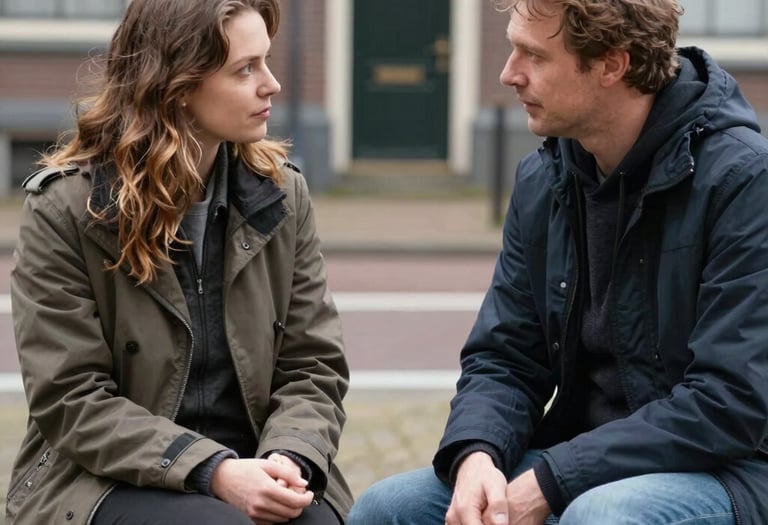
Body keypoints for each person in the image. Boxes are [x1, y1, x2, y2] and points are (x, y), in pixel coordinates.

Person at [347, 0, 768, 524]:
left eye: (533, 55)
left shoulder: (743, 181)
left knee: (601, 516)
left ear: (612, 65)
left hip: (727, 470)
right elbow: (506, 358)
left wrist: (553, 480)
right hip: (579, 458)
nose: (508, 74)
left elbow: (729, 402)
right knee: (388, 508)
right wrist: (477, 453)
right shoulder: (544, 179)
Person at [5, 0, 353, 524]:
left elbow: (313, 365)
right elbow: (72, 401)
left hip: (257, 457)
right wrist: (213, 470)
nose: (272, 84)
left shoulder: (281, 196)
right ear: (179, 86)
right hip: (103, 477)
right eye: (245, 69)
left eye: (267, 61)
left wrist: (289, 455)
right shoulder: (66, 210)